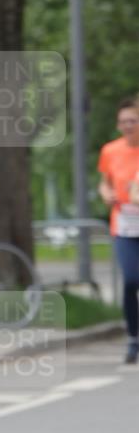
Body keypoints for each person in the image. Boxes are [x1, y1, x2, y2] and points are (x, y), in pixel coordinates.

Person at [97, 96, 139, 364]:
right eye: (123, 121)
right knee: (131, 279)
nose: (127, 125)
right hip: (123, 225)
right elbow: (104, 182)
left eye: (133, 121)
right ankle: (133, 336)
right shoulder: (111, 151)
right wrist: (106, 194)